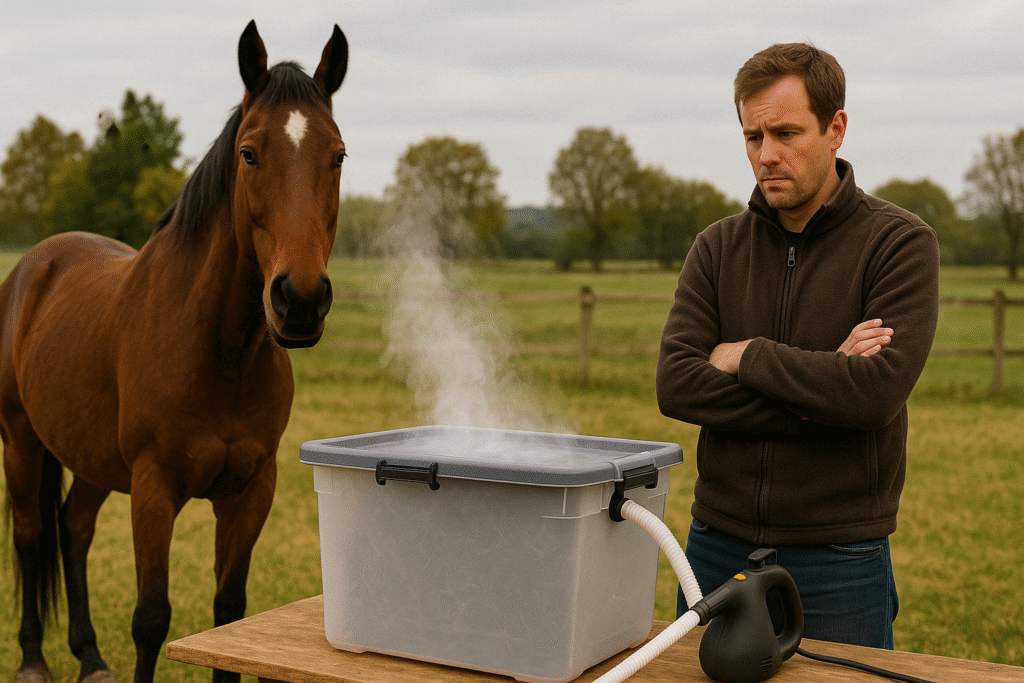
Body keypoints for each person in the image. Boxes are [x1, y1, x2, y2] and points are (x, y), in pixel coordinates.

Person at [656, 42, 939, 649]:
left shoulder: (899, 244)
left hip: (840, 560)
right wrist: (825, 387)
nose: (766, 155)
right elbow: (677, 385)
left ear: (836, 129)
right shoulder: (716, 248)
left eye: (786, 133)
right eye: (752, 136)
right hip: (715, 547)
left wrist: (745, 355)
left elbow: (873, 396)